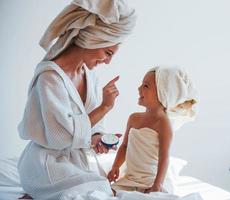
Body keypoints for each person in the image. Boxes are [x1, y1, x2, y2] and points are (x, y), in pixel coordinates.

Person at [17, 0, 136, 199]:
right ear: (93, 39)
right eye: (108, 53)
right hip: (47, 163)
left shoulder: (90, 75)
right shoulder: (50, 78)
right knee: (95, 192)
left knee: (104, 189)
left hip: (77, 162)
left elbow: (88, 126)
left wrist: (98, 137)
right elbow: (60, 137)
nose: (108, 61)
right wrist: (105, 106)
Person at [107, 66, 198, 194]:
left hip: (151, 181)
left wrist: (158, 184)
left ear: (163, 93)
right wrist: (115, 166)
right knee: (108, 192)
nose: (139, 89)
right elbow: (125, 146)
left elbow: (164, 156)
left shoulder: (163, 124)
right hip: (130, 178)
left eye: (146, 86)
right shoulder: (134, 118)